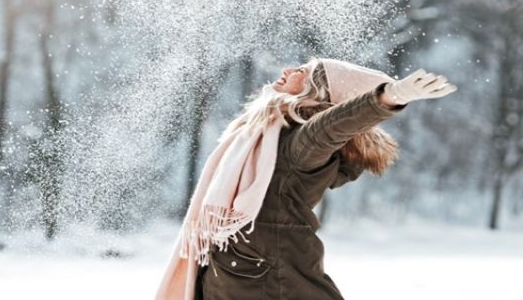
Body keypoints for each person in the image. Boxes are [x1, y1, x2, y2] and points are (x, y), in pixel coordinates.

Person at [156, 58, 457, 300]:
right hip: (243, 270)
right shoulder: (268, 135)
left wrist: (388, 98)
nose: (288, 70)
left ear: (317, 93)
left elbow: (330, 126)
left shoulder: (300, 145)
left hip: (266, 275)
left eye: (302, 72)